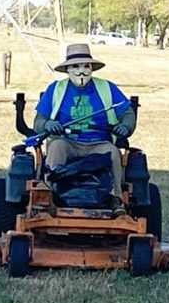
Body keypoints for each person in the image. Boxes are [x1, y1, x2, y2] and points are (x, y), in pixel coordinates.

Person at [34, 43, 136, 216]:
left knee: (112, 152)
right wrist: (46, 125)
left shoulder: (107, 87)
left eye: (86, 66)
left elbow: (127, 112)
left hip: (99, 142)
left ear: (92, 68)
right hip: (67, 141)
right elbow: (38, 121)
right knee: (57, 147)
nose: (81, 71)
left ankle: (116, 199)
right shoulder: (55, 89)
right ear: (67, 70)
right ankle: (49, 197)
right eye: (76, 66)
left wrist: (125, 126)